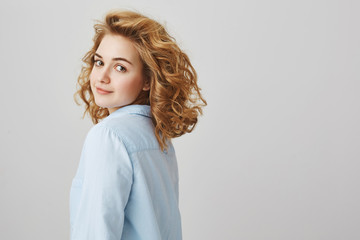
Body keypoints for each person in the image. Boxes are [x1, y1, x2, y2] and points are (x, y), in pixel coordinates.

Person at [70, 9, 206, 240]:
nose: (102, 76)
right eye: (99, 62)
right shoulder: (157, 137)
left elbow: (96, 231)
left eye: (120, 67)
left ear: (147, 81)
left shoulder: (109, 135)